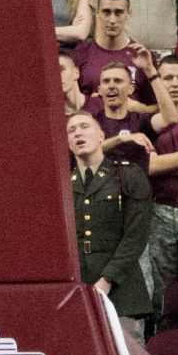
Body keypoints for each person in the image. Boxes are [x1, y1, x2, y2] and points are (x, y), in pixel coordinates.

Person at [67, 110, 154, 329]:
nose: (78, 133)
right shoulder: (63, 183)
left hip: (121, 289)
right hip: (78, 287)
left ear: (101, 137)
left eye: (85, 127)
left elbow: (136, 235)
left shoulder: (128, 176)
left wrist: (108, 279)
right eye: (71, 130)